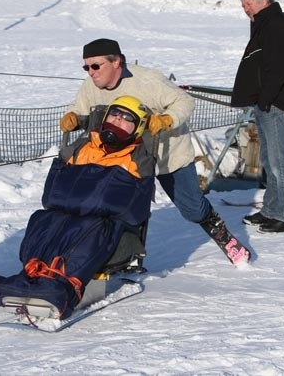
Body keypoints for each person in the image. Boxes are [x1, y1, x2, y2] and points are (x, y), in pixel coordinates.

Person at [60, 38, 250, 266]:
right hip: (126, 159)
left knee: (192, 209)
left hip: (167, 156)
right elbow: (79, 108)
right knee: (118, 207)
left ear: (116, 62)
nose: (91, 72)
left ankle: (222, 234)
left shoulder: (148, 80)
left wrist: (167, 119)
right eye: (86, 67)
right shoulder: (91, 86)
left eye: (95, 66)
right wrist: (73, 117)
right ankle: (124, 258)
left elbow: (185, 101)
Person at [0, 96, 156, 319]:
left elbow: (133, 210)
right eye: (115, 114)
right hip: (67, 216)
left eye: (128, 118)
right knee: (43, 218)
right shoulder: (82, 146)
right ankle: (31, 275)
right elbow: (51, 195)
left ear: (138, 128)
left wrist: (81, 194)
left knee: (91, 226)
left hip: (106, 227)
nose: (118, 120)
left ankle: (65, 286)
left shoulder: (138, 159)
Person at [232, 0, 284, 233]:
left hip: (278, 103)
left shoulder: (276, 25)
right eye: (243, 6)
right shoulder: (265, 24)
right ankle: (272, 209)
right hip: (268, 103)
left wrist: (266, 98)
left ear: (263, 1)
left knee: (280, 161)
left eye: (248, 4)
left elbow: (277, 68)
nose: (245, 9)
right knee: (269, 160)